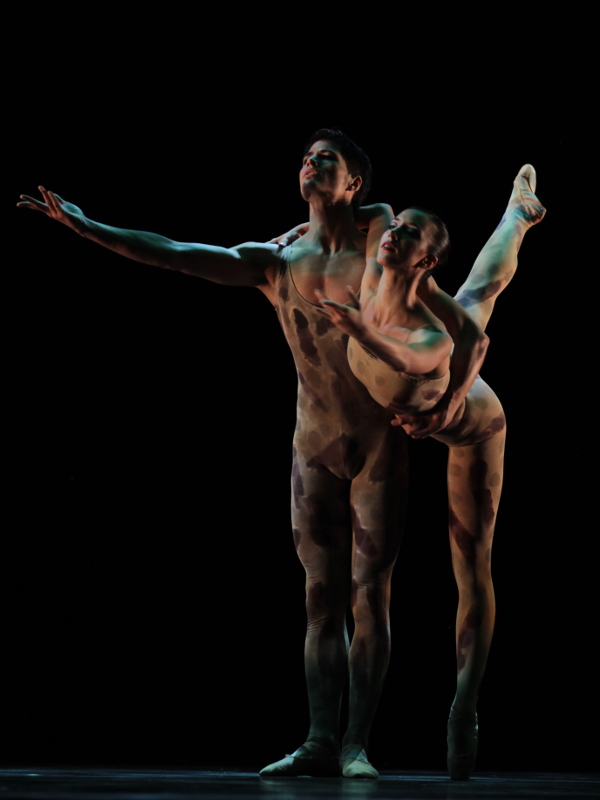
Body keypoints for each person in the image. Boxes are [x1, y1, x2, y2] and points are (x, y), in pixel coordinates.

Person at [17, 131, 543, 779]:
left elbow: (437, 274)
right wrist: (86, 226)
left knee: (369, 594)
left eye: (329, 158)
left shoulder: (382, 240)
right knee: (320, 596)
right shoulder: (276, 260)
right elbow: (179, 254)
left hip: (379, 444)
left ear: (355, 184)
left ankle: (356, 746)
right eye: (306, 156)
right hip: (314, 445)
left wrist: (444, 390)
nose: (311, 163)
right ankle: (321, 739)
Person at [314, 172, 545, 779]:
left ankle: (465, 702)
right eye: (393, 228)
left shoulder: (423, 325)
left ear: (427, 258)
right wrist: (324, 215)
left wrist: (449, 400)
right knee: (479, 293)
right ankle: (518, 215)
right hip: (448, 370)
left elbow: (435, 352)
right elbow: (379, 207)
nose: (394, 231)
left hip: (475, 426)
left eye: (410, 233)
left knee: (470, 568)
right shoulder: (376, 260)